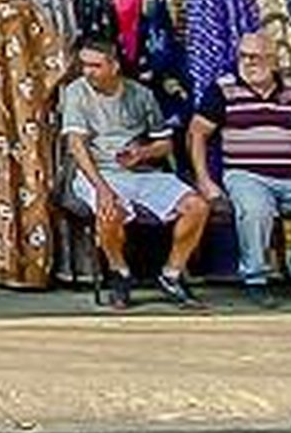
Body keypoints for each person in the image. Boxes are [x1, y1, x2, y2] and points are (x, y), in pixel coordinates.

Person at [188, 26, 291, 300]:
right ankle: (255, 277)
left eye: (256, 57)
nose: (249, 63)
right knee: (255, 210)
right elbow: (197, 133)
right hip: (245, 175)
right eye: (243, 56)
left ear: (274, 60)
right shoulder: (224, 89)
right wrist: (204, 179)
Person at [56, 32, 209, 309]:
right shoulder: (76, 92)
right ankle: (119, 272)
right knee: (109, 211)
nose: (88, 72)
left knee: (196, 206)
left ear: (114, 66)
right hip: (98, 172)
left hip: (141, 171)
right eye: (84, 65)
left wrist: (142, 153)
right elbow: (76, 146)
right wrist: (102, 189)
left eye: (95, 66)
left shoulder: (141, 95)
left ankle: (172, 274)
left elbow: (165, 145)